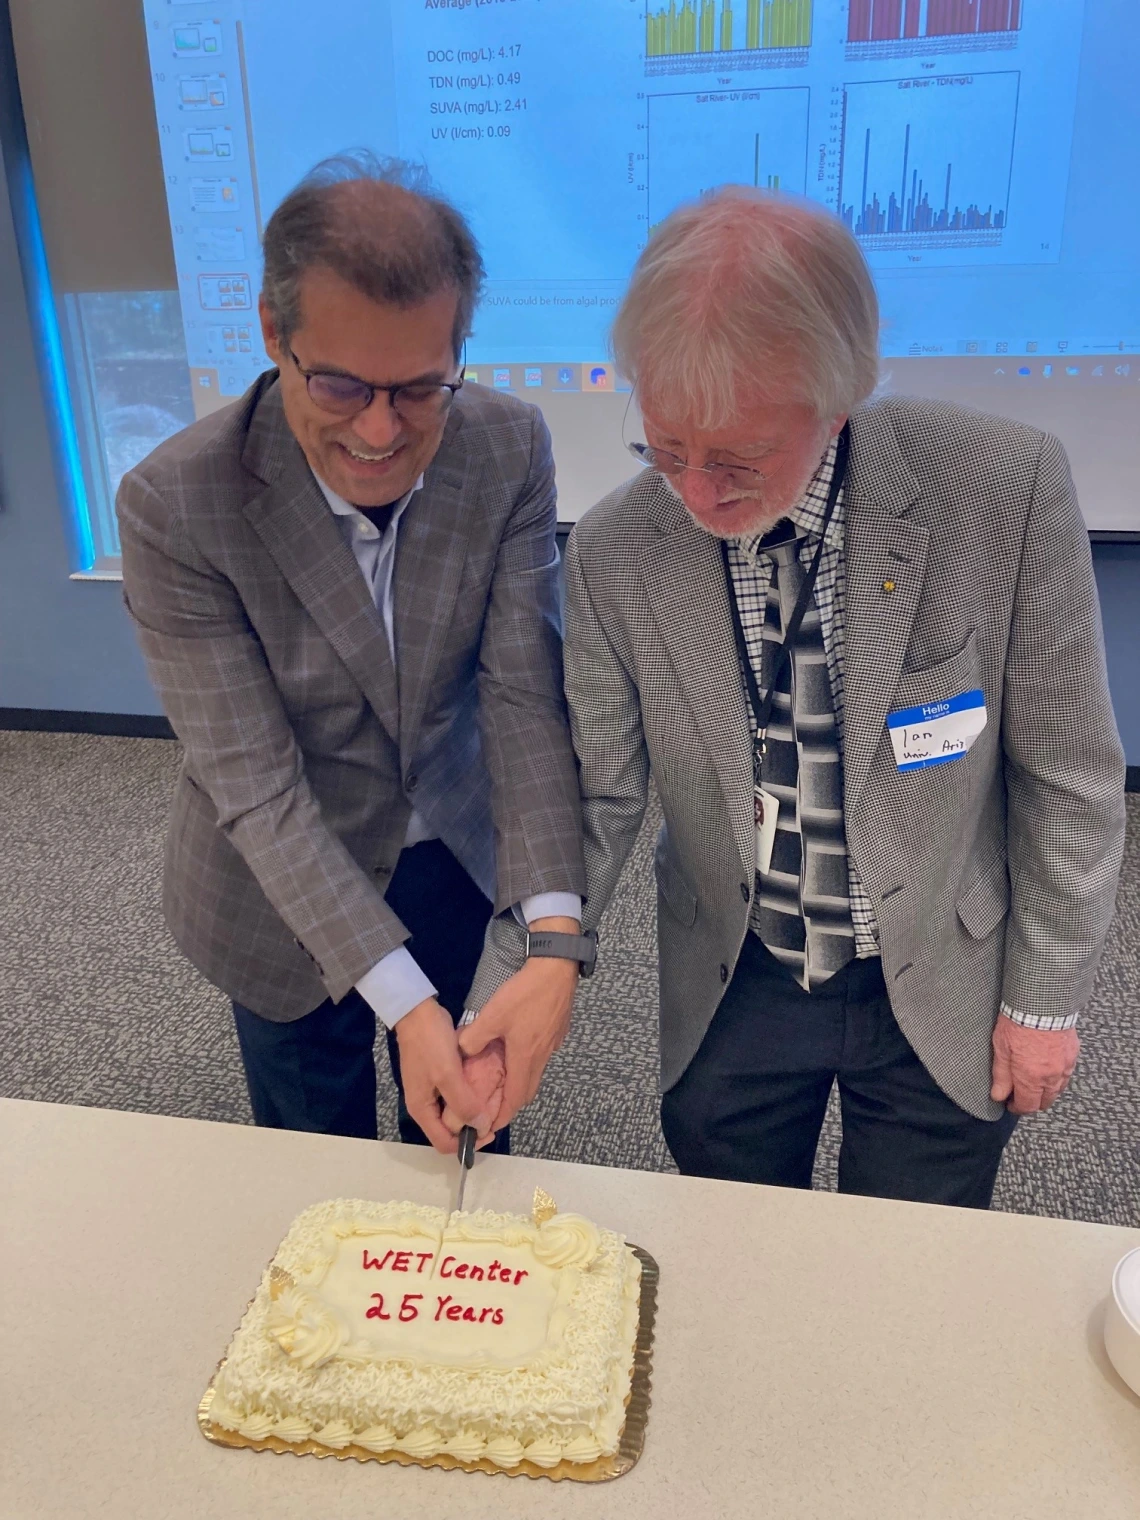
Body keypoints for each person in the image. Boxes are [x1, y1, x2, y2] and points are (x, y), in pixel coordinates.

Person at [466, 188, 1126, 1207]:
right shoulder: (612, 550)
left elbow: (1070, 777)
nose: (696, 494)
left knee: (907, 1269)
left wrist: (1045, 1003)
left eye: (737, 461)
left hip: (939, 973)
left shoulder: (1005, 489)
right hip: (739, 968)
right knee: (730, 1251)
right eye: (665, 450)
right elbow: (593, 797)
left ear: (841, 395)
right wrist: (520, 973)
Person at [117, 154, 593, 1153]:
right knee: (309, 1154)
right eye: (338, 383)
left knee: (466, 1145)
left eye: (420, 388)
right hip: (275, 885)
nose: (380, 431)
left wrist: (553, 935)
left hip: (454, 854)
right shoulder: (174, 505)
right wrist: (405, 1006)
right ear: (271, 335)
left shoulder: (508, 446)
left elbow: (521, 699)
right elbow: (256, 784)